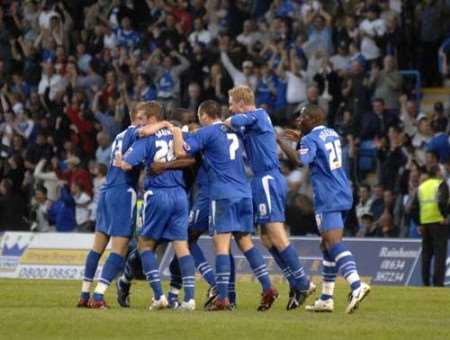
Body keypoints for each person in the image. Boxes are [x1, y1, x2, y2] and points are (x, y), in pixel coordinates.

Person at [172, 99, 278, 311]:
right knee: (246, 242)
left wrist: (175, 131)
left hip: (222, 194)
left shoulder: (207, 132)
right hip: (244, 192)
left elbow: (181, 152)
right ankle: (268, 287)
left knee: (221, 246)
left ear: (203, 116)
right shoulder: (235, 130)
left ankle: (222, 298)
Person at [224, 85, 315, 310]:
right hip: (260, 180)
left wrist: (223, 122)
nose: (229, 108)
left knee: (277, 233)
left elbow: (233, 123)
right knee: (265, 238)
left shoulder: (258, 114)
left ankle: (303, 282)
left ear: (242, 103)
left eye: (231, 103)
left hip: (267, 178)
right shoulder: (251, 121)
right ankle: (295, 282)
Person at [284, 104, 370, 313]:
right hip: (342, 191)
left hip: (328, 196)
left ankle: (357, 285)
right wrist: (301, 141)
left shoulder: (309, 139)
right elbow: (317, 152)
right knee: (326, 245)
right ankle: (326, 298)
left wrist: (282, 141)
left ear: (312, 119)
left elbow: (299, 162)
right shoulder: (331, 132)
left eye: (302, 117)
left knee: (333, 242)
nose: (298, 121)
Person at [77, 102, 160, 309]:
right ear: (135, 120)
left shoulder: (120, 135)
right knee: (119, 249)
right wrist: (165, 124)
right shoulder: (135, 132)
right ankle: (98, 296)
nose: (145, 123)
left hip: (106, 191)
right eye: (141, 119)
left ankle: (84, 294)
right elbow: (144, 134)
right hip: (123, 192)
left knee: (98, 245)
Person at [115, 102, 197, 311]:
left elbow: (127, 163)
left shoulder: (147, 137)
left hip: (157, 195)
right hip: (180, 195)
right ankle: (189, 299)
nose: (140, 123)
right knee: (181, 246)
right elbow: (190, 157)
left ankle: (159, 296)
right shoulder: (178, 133)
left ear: (152, 118)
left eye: (143, 118)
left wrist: (122, 161)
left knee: (145, 245)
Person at [411, 165, 449, 287]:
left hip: (425, 223)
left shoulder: (421, 187)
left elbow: (414, 208)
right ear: (437, 172)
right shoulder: (441, 184)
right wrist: (445, 216)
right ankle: (438, 283)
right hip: (438, 222)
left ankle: (425, 283)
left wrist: (419, 223)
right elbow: (442, 201)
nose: (443, 173)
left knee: (426, 254)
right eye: (441, 171)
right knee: (440, 254)